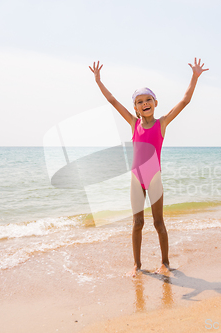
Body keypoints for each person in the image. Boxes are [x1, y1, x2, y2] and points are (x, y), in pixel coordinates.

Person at [89, 58, 209, 277]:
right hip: (136, 179)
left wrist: (194, 77)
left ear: (155, 102)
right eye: (140, 101)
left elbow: (184, 102)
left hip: (154, 179)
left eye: (148, 100)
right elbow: (112, 101)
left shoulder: (161, 123)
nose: (144, 103)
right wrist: (98, 81)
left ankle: (165, 263)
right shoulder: (133, 124)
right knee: (137, 223)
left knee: (158, 222)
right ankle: (136, 265)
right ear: (135, 107)